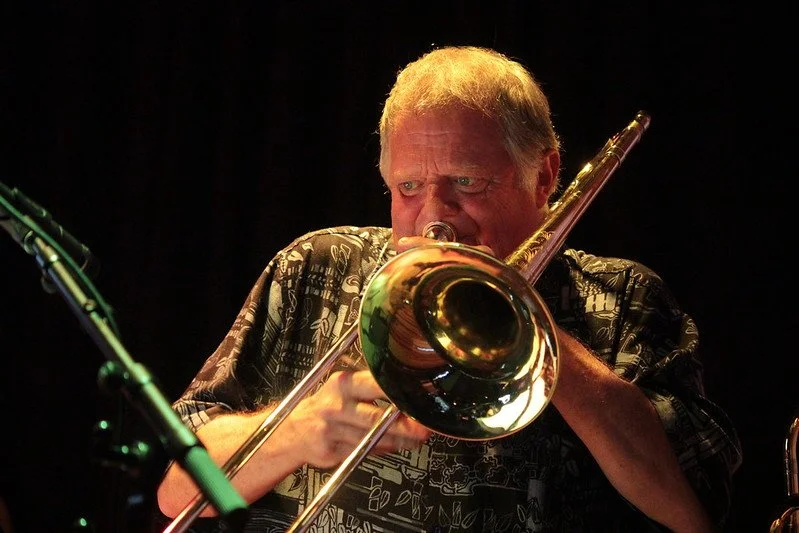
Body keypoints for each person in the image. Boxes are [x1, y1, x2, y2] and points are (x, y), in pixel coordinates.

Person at [155, 46, 742, 532]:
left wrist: (532, 327)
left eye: (466, 181)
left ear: (545, 176)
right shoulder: (316, 267)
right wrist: (295, 432)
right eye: (409, 186)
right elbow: (177, 489)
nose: (435, 216)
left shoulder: (627, 301)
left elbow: (693, 513)